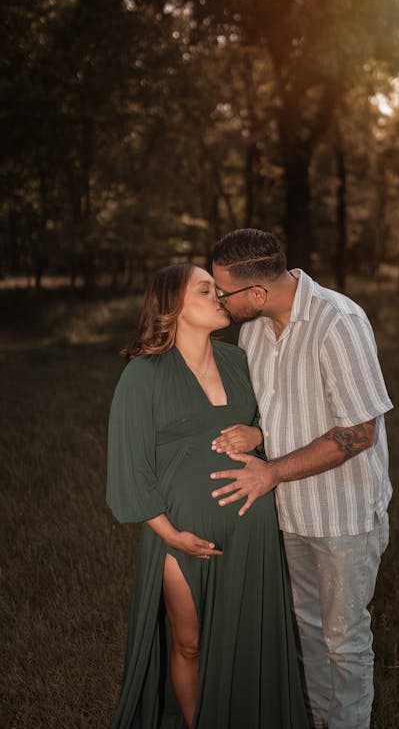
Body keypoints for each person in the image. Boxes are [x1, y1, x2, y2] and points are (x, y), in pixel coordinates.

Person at [106, 263, 310, 729]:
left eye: (218, 289)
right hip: (182, 536)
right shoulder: (144, 375)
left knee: (246, 641)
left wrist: (258, 436)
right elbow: (129, 467)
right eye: (205, 290)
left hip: (253, 533)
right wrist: (170, 535)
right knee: (190, 643)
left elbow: (274, 428)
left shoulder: (238, 362)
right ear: (173, 305)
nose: (219, 296)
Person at [210, 229, 393, 729]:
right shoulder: (253, 331)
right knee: (308, 635)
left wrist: (271, 471)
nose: (220, 302)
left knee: (344, 640)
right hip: (289, 514)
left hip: (343, 516)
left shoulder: (340, 321)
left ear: (258, 292)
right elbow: (282, 413)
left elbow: (357, 432)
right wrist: (255, 433)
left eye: (225, 293)